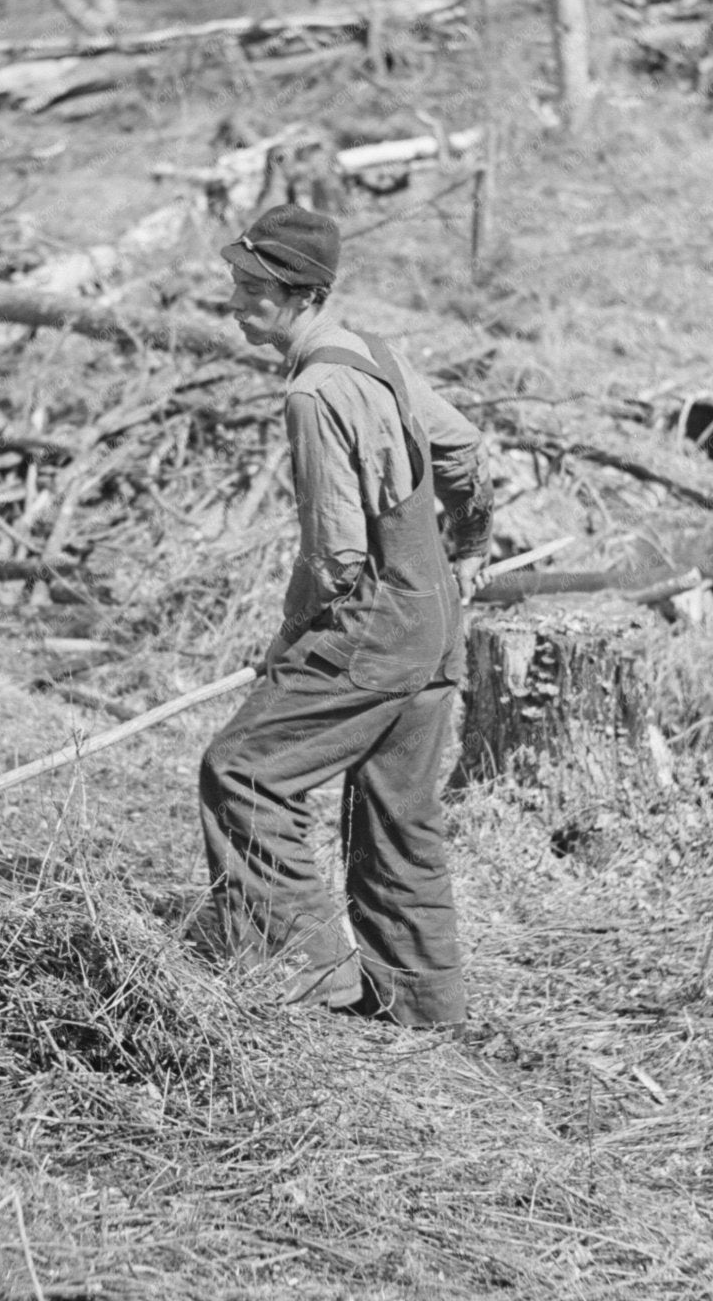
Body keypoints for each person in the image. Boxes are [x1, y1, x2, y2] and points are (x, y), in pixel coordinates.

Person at [196, 202, 493, 1029]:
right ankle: (425, 1005)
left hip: (376, 624)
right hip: (432, 618)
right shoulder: (373, 355)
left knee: (243, 772)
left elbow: (337, 560)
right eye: (234, 281)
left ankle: (313, 983)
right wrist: (468, 548)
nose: (233, 300)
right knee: (399, 813)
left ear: (299, 295)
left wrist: (288, 644)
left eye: (250, 287)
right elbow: (464, 448)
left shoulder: (315, 390)